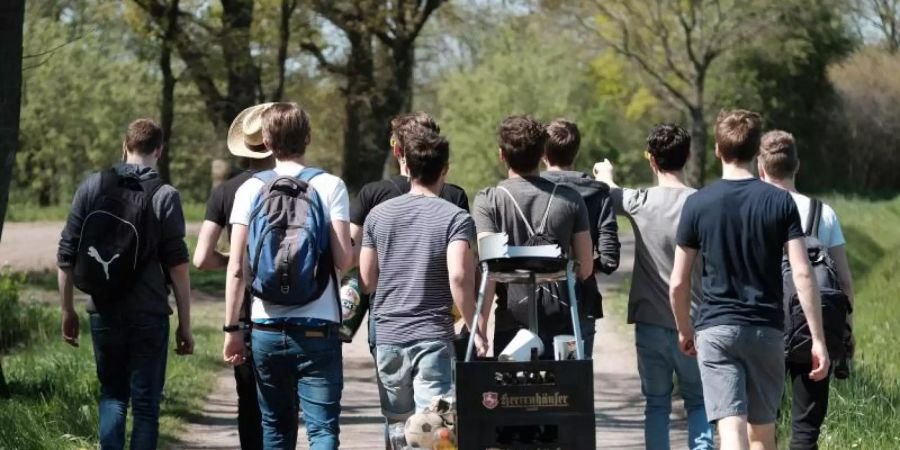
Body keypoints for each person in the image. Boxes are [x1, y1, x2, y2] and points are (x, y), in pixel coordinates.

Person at [670, 110, 830, 450]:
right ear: (758, 150)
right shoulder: (780, 201)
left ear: (717, 150)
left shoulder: (698, 204)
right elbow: (802, 272)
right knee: (762, 433)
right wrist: (817, 338)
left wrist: (684, 328)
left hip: (715, 330)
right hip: (767, 331)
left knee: (731, 431)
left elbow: (679, 283)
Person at [222, 103, 353, 450]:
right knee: (322, 431)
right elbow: (344, 258)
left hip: (265, 327)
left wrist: (233, 330)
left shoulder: (249, 190)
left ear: (265, 141)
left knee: (276, 430)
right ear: (308, 138)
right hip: (317, 325)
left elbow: (237, 267)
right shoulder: (330, 186)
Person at [58, 118, 194, 450]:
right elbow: (177, 267)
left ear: (125, 146)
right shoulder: (165, 196)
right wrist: (185, 326)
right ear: (159, 151)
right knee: (146, 407)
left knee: (112, 396)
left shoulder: (93, 186)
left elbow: (66, 255)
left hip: (103, 310)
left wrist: (67, 311)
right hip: (149, 314)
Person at [358, 126, 483, 443]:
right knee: (433, 430)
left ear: (406, 166)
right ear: (445, 169)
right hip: (432, 336)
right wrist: (475, 325)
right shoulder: (455, 217)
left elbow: (368, 280)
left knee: (399, 429)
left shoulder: (378, 215)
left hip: (388, 336)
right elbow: (458, 276)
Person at [593, 124, 713, 450]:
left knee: (656, 404)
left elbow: (608, 191)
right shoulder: (704, 204)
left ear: (651, 161)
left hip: (649, 323)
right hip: (696, 322)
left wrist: (606, 172)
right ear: (687, 156)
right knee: (700, 404)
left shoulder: (639, 201)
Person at [758, 130, 856, 449]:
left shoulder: (752, 209)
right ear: (796, 166)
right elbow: (842, 280)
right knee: (805, 431)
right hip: (810, 327)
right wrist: (845, 331)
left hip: (763, 325)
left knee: (760, 425)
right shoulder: (822, 213)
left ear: (761, 167)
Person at [473, 115, 594, 356]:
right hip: (561, 319)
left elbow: (490, 273)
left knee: (512, 391)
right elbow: (586, 267)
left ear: (502, 155)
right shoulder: (570, 199)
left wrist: (481, 329)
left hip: (511, 319)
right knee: (562, 391)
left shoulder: (488, 201)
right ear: (542, 154)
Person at [349, 112, 470, 352]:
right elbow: (465, 267)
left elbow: (351, 253)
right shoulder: (454, 197)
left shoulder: (373, 194)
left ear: (397, 151)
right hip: (436, 320)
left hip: (386, 319)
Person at [193, 103, 277, 450]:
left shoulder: (226, 192)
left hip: (245, 309)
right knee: (282, 401)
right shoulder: (300, 184)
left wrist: (233, 259)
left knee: (248, 399)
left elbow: (201, 258)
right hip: (292, 305)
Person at [541, 118, 620, 356]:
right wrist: (583, 266)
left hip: (538, 300)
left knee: (538, 384)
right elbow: (609, 259)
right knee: (576, 384)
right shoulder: (598, 193)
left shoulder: (532, 188)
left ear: (543, 152)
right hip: (582, 298)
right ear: (576, 151)